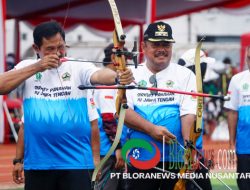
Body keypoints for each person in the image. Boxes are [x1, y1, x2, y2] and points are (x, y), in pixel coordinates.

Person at [0, 20, 133, 190]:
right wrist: (38, 66)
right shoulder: (27, 67)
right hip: (39, 162)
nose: (57, 53)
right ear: (36, 49)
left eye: (61, 47)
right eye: (50, 49)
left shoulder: (78, 66)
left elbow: (100, 75)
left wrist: (117, 77)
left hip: (76, 161)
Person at [124, 21, 197, 190]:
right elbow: (123, 112)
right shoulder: (130, 73)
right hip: (141, 156)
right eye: (156, 44)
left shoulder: (185, 75)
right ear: (144, 46)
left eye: (166, 44)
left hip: (175, 158)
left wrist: (188, 150)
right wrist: (151, 129)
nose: (162, 49)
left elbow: (188, 114)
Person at [93, 43, 127, 190]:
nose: (127, 62)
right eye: (125, 57)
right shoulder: (107, 81)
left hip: (108, 148)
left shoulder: (106, 78)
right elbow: (108, 117)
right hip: (108, 150)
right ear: (114, 57)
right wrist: (118, 148)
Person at [178, 49, 213, 190]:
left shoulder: (195, 87)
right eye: (203, 65)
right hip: (188, 156)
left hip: (195, 154)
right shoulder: (188, 89)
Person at [224, 45, 250, 190]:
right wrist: (230, 145)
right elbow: (232, 113)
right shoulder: (237, 80)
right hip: (245, 148)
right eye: (249, 58)